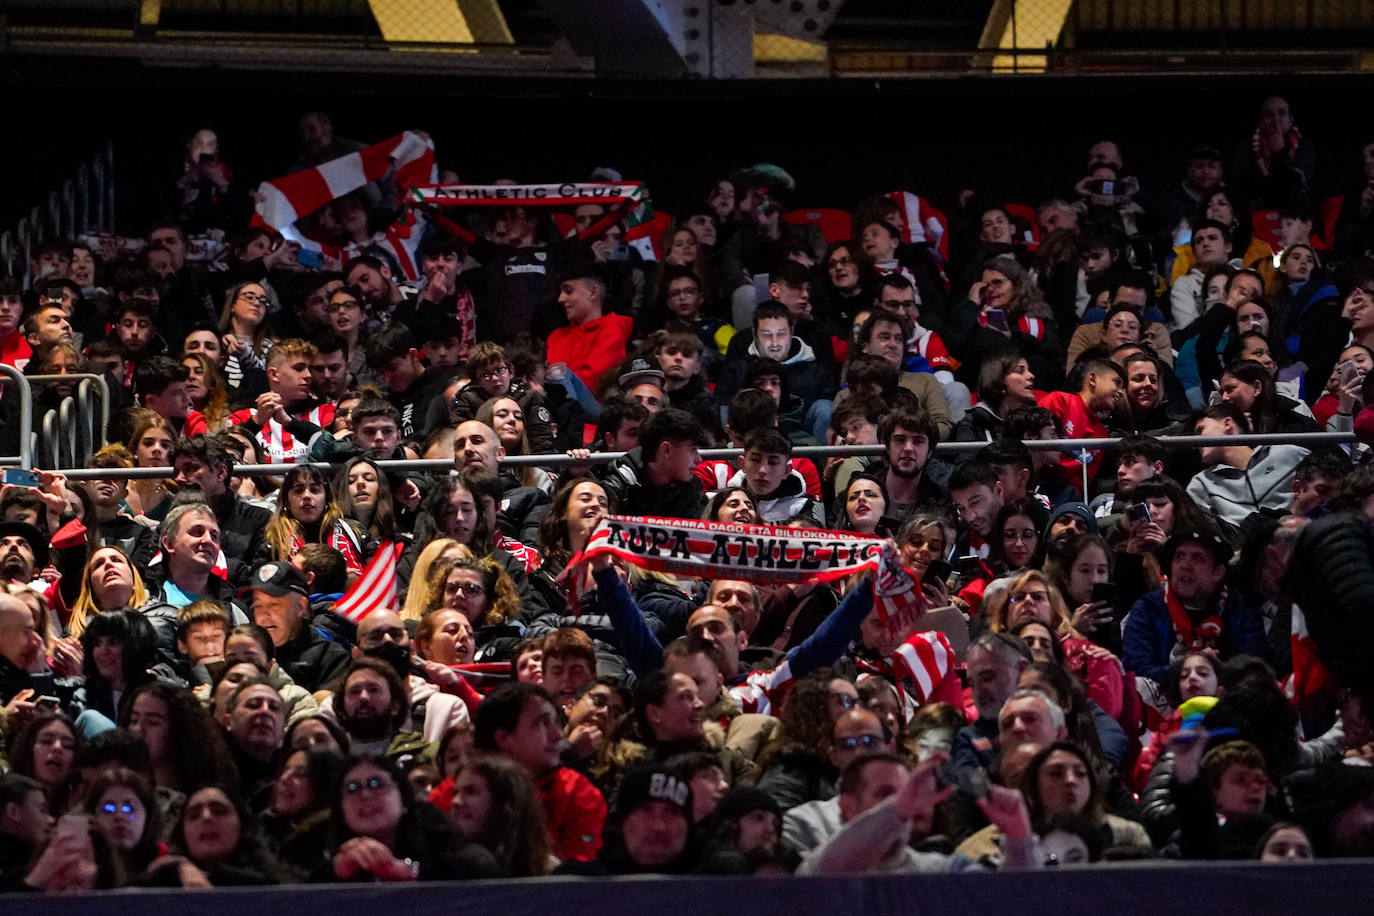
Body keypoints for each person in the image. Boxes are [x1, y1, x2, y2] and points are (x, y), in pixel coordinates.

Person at [473, 681, 607, 863]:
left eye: (555, 723)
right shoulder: (460, 791)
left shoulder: (576, 792)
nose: (558, 735)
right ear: (504, 738)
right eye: (542, 723)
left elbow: (580, 881)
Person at [1122, 528, 1268, 691]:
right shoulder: (1148, 607)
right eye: (1179, 556)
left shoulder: (1241, 608)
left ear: (1218, 573)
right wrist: (1197, 670)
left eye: (1197, 558)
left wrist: (1208, 672)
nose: (1185, 565)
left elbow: (1254, 668)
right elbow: (1136, 671)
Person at [324, 755, 497, 882]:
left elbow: (487, 872)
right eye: (352, 789)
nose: (365, 795)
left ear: (404, 800)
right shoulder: (324, 858)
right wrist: (335, 875)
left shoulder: (446, 845)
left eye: (376, 783)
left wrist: (405, 871)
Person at [555, 764, 697, 876]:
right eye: (645, 810)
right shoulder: (577, 886)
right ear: (620, 822)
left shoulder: (715, 883)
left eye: (671, 812)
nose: (658, 826)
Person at [242, 560, 349, 693]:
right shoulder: (243, 652)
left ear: (301, 607)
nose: (264, 614)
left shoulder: (331, 658)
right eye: (258, 605)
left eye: (274, 605)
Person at [448, 754, 550, 877]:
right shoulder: (439, 867)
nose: (456, 801)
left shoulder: (548, 874)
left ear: (503, 802)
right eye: (455, 793)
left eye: (471, 792)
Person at [599, 407, 707, 520]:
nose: (698, 459)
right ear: (666, 450)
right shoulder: (619, 485)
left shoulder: (692, 487)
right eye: (692, 449)